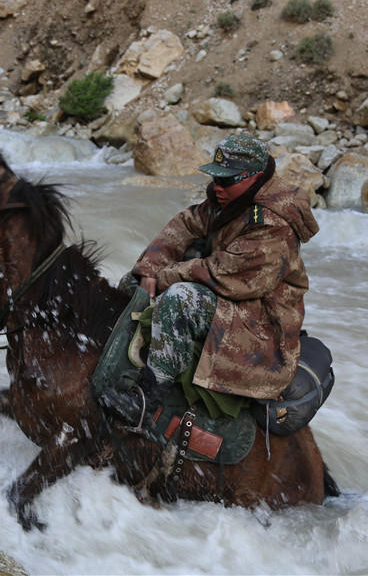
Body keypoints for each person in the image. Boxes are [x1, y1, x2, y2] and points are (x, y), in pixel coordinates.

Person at [101, 134, 319, 425]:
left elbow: (226, 273)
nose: (217, 187)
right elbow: (185, 224)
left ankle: (147, 402)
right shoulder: (232, 199)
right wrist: (150, 268)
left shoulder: (271, 221)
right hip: (234, 295)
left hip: (260, 318)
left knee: (180, 299)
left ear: (253, 177)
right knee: (135, 280)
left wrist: (165, 276)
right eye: (216, 178)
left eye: (226, 180)